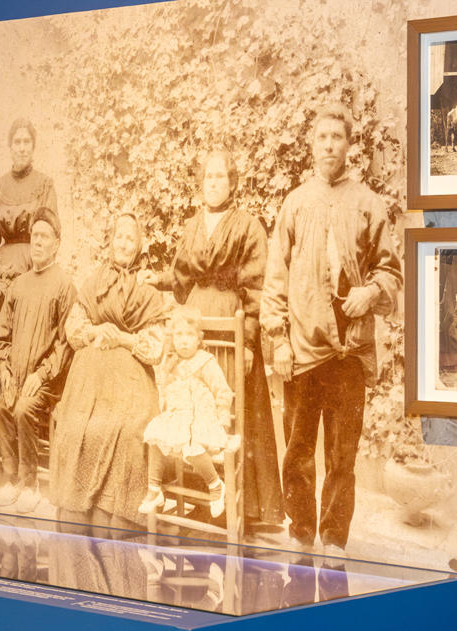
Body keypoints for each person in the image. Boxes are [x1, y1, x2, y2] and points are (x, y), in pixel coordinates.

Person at [261, 102, 401, 555]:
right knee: (299, 451)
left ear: (348, 145)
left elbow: (391, 272)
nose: (328, 145)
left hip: (351, 350)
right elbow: (274, 280)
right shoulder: (295, 203)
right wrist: (279, 340)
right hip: (302, 349)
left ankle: (335, 542)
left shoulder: (368, 203)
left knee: (343, 456)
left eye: (336, 137)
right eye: (321, 137)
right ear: (310, 145)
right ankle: (301, 536)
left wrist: (372, 293)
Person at [152, 148, 282, 537]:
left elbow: (257, 288)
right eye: (207, 177)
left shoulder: (248, 225)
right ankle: (200, 495)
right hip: (194, 328)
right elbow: (179, 278)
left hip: (232, 330)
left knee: (232, 408)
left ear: (233, 182)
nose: (213, 183)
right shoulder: (192, 226)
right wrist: (153, 280)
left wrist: (249, 343)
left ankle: (244, 505)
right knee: (192, 404)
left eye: (220, 177)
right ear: (201, 183)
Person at [49, 211, 171, 524]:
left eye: (131, 238)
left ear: (139, 244)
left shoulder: (147, 286)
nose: (124, 243)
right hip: (90, 381)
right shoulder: (94, 281)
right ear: (111, 240)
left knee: (129, 431)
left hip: (131, 380)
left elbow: (156, 348)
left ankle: (115, 509)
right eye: (120, 236)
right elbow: (74, 327)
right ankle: (79, 507)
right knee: (77, 427)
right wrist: (94, 332)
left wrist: (124, 339)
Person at [0, 208, 74, 509]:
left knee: (24, 409)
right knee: (0, 402)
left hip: (47, 380)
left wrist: (42, 375)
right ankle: (10, 479)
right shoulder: (18, 285)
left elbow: (65, 344)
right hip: (16, 373)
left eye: (44, 236)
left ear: (56, 243)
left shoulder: (64, 286)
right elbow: (2, 337)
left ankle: (29, 485)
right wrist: (4, 369)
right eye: (34, 235)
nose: (37, 241)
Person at [139, 308, 234, 520]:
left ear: (199, 339)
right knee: (154, 435)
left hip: (202, 418)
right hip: (178, 417)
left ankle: (215, 485)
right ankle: (154, 489)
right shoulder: (170, 362)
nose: (184, 341)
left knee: (192, 444)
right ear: (172, 338)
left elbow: (222, 391)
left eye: (190, 335)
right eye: (179, 335)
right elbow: (164, 390)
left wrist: (224, 419)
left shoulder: (205, 361)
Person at [0, 118, 59, 311]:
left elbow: (51, 239)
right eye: (17, 142)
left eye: (26, 142)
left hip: (34, 268)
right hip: (1, 271)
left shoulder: (45, 185)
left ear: (33, 147)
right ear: (10, 147)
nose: (22, 148)